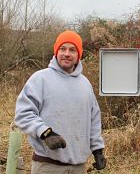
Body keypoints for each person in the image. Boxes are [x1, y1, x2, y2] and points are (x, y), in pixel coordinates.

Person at [14, 30, 106, 174]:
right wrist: (46, 133)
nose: (67, 53)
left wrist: (97, 149)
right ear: (56, 52)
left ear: (78, 55)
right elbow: (23, 114)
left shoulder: (85, 84)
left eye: (72, 50)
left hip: (78, 167)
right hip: (47, 165)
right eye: (62, 49)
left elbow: (94, 119)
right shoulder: (40, 79)